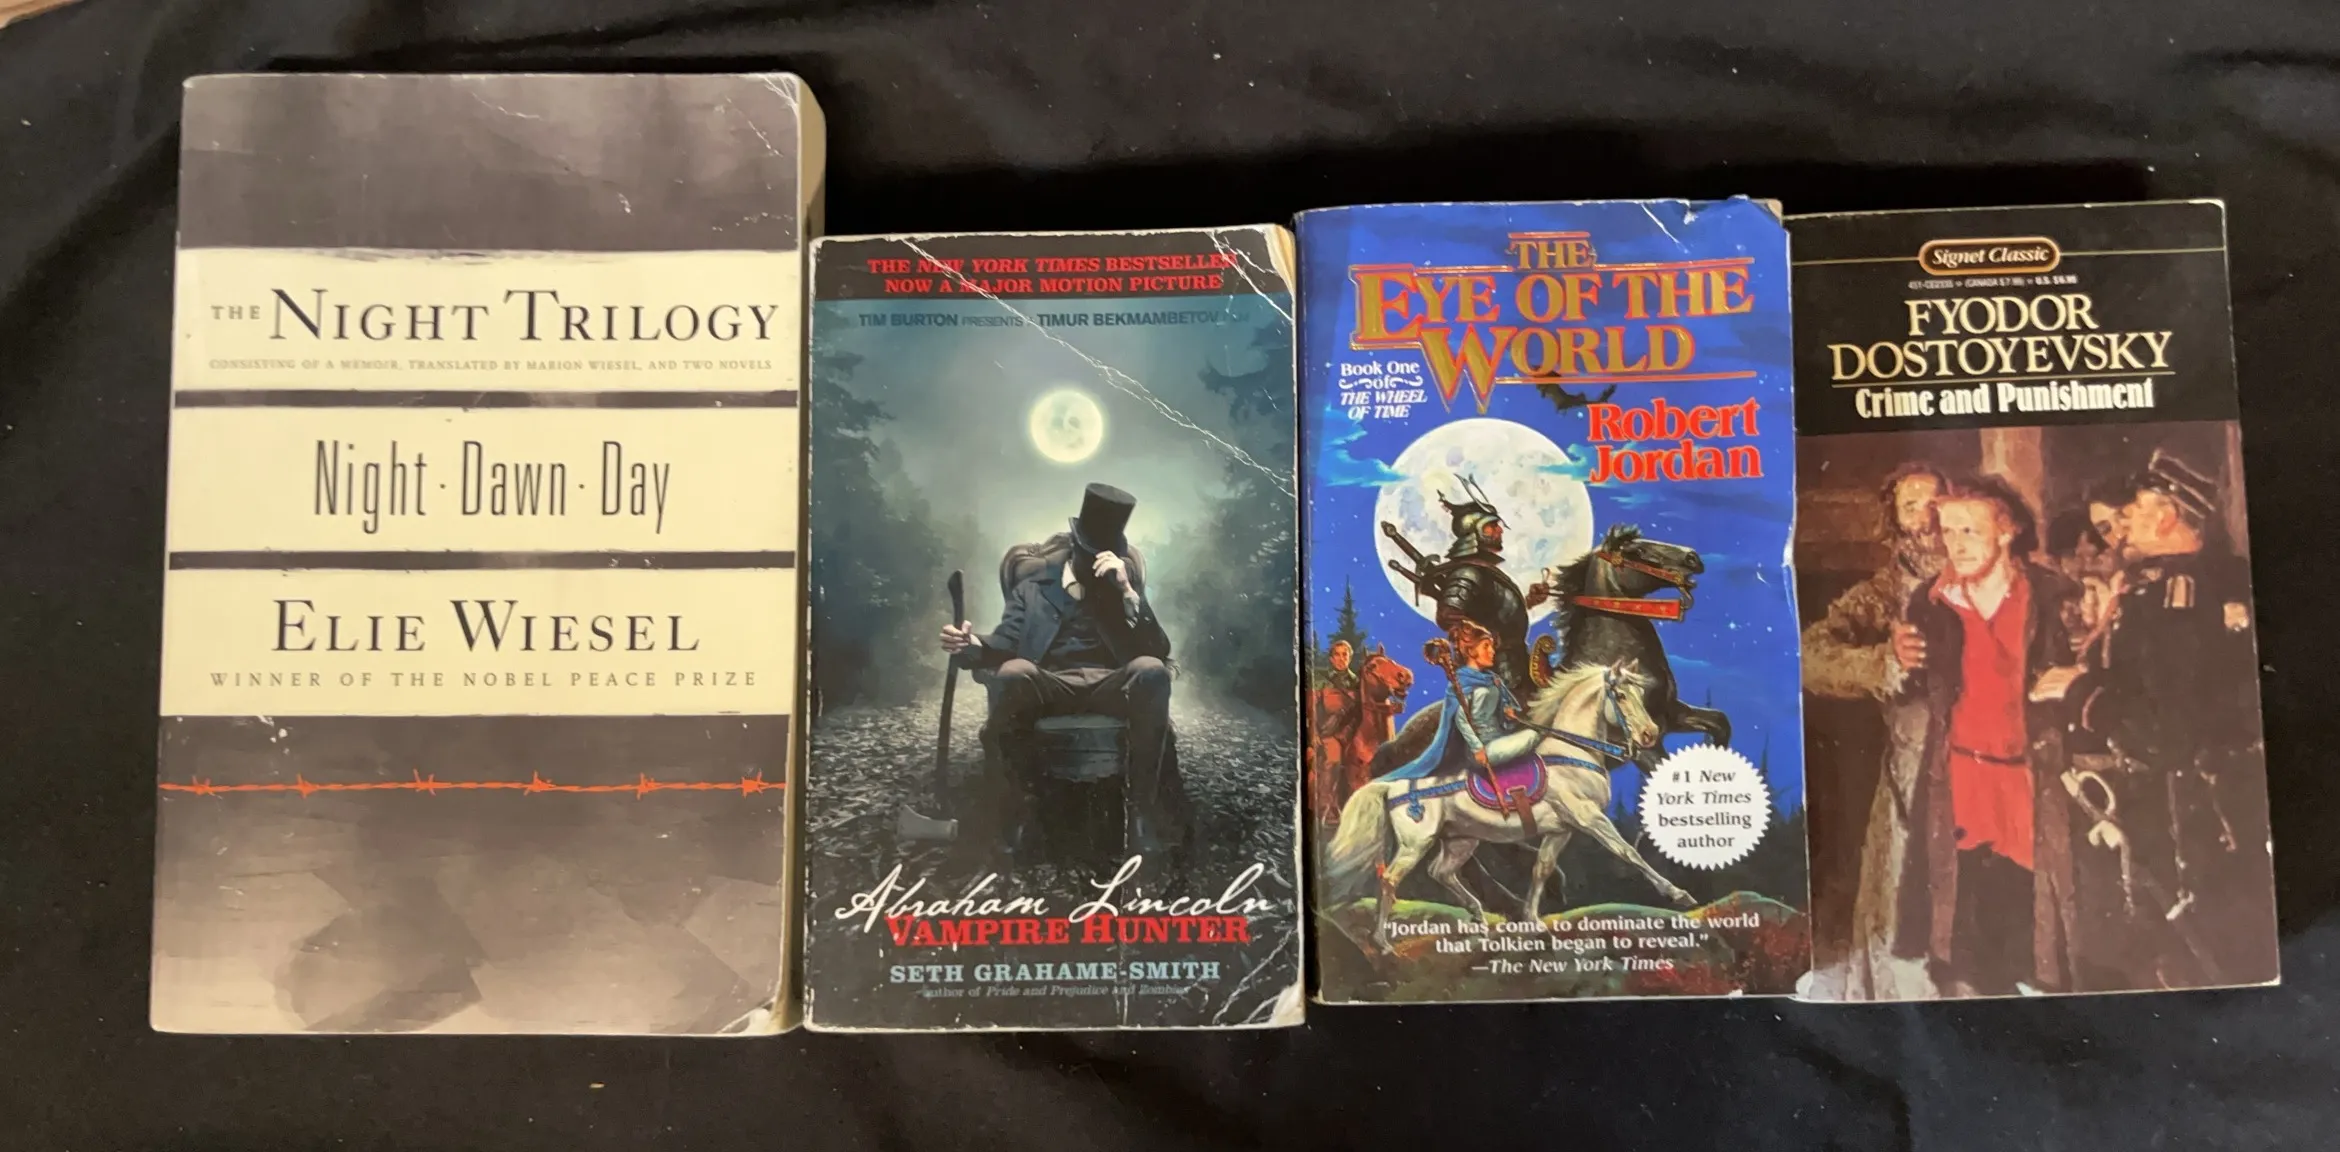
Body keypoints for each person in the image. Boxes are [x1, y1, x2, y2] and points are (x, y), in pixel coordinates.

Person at [2066, 449, 2275, 987]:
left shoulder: (2180, 596)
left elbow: (2165, 731)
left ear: (2166, 515)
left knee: (2196, 960)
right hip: (2180, 806)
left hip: (2189, 816)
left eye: (2134, 511)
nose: (2124, 526)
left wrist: (2080, 693)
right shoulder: (2162, 585)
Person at [1891, 473, 2084, 996]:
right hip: (1961, 782)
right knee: (1962, 940)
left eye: (1969, 531)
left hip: (2030, 784)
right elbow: (1917, 684)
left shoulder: (2054, 597)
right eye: (1948, 531)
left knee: (2036, 927)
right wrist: (1898, 658)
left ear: (2007, 530)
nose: (1955, 544)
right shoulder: (1929, 603)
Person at [940, 483, 1182, 856]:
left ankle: (1140, 815)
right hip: (1051, 685)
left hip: (1109, 686)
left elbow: (1157, 651)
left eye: (1106, 556)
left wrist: (1128, 593)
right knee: (1014, 671)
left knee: (1151, 669)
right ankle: (1016, 810)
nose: (1097, 565)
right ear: (1075, 549)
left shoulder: (1120, 588)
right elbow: (1004, 643)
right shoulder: (1032, 589)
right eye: (1090, 554)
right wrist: (970, 644)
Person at [1802, 462, 1948, 999]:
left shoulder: (1988, 568)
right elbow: (1812, 656)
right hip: (1911, 770)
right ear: (1896, 521)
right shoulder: (1883, 594)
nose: (1927, 518)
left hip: (1986, 766)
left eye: (1935, 502)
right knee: (1900, 903)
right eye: (1912, 506)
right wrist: (1883, 662)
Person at [1381, 619, 1541, 787]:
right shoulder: (1461, 683)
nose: (1492, 651)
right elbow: (1461, 719)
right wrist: (1477, 748)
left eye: (1492, 646)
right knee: (1532, 736)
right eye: (1486, 646)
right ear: (1471, 651)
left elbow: (1498, 709)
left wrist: (1507, 712)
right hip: (1482, 749)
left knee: (1534, 733)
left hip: (1500, 738)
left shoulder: (1492, 679)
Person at [1311, 641, 1363, 824]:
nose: (1341, 659)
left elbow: (1361, 711)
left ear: (1350, 657)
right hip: (1328, 733)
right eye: (1337, 655)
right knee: (1333, 759)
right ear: (1331, 658)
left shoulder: (1357, 682)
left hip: (1352, 732)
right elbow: (1312, 709)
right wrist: (1314, 733)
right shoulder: (1321, 679)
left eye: (1345, 655)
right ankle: (1326, 807)